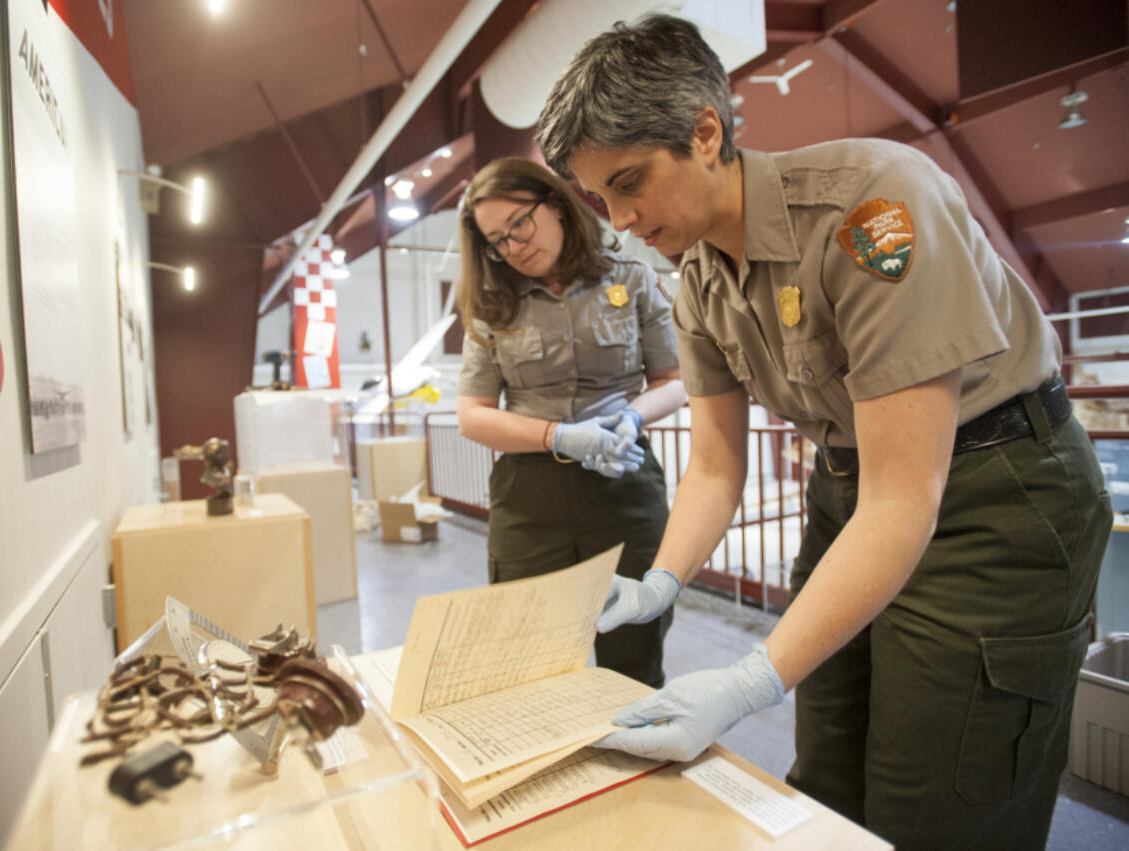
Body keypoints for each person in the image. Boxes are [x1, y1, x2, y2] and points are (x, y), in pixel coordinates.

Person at [534, 14, 1111, 850]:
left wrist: (749, 674)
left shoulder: (872, 205)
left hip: (996, 494)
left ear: (704, 133)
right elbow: (717, 467)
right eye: (598, 198)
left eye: (629, 182)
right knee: (826, 782)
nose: (619, 218)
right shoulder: (696, 275)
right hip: (851, 492)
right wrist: (661, 582)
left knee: (938, 802)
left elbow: (907, 490)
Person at [455, 156, 687, 687]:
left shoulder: (631, 279)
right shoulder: (492, 304)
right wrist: (557, 436)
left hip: (625, 485)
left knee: (634, 655)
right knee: (528, 660)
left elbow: (674, 381)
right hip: (530, 496)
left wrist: (631, 415)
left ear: (556, 205)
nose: (513, 246)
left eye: (520, 224)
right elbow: (472, 415)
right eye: (496, 240)